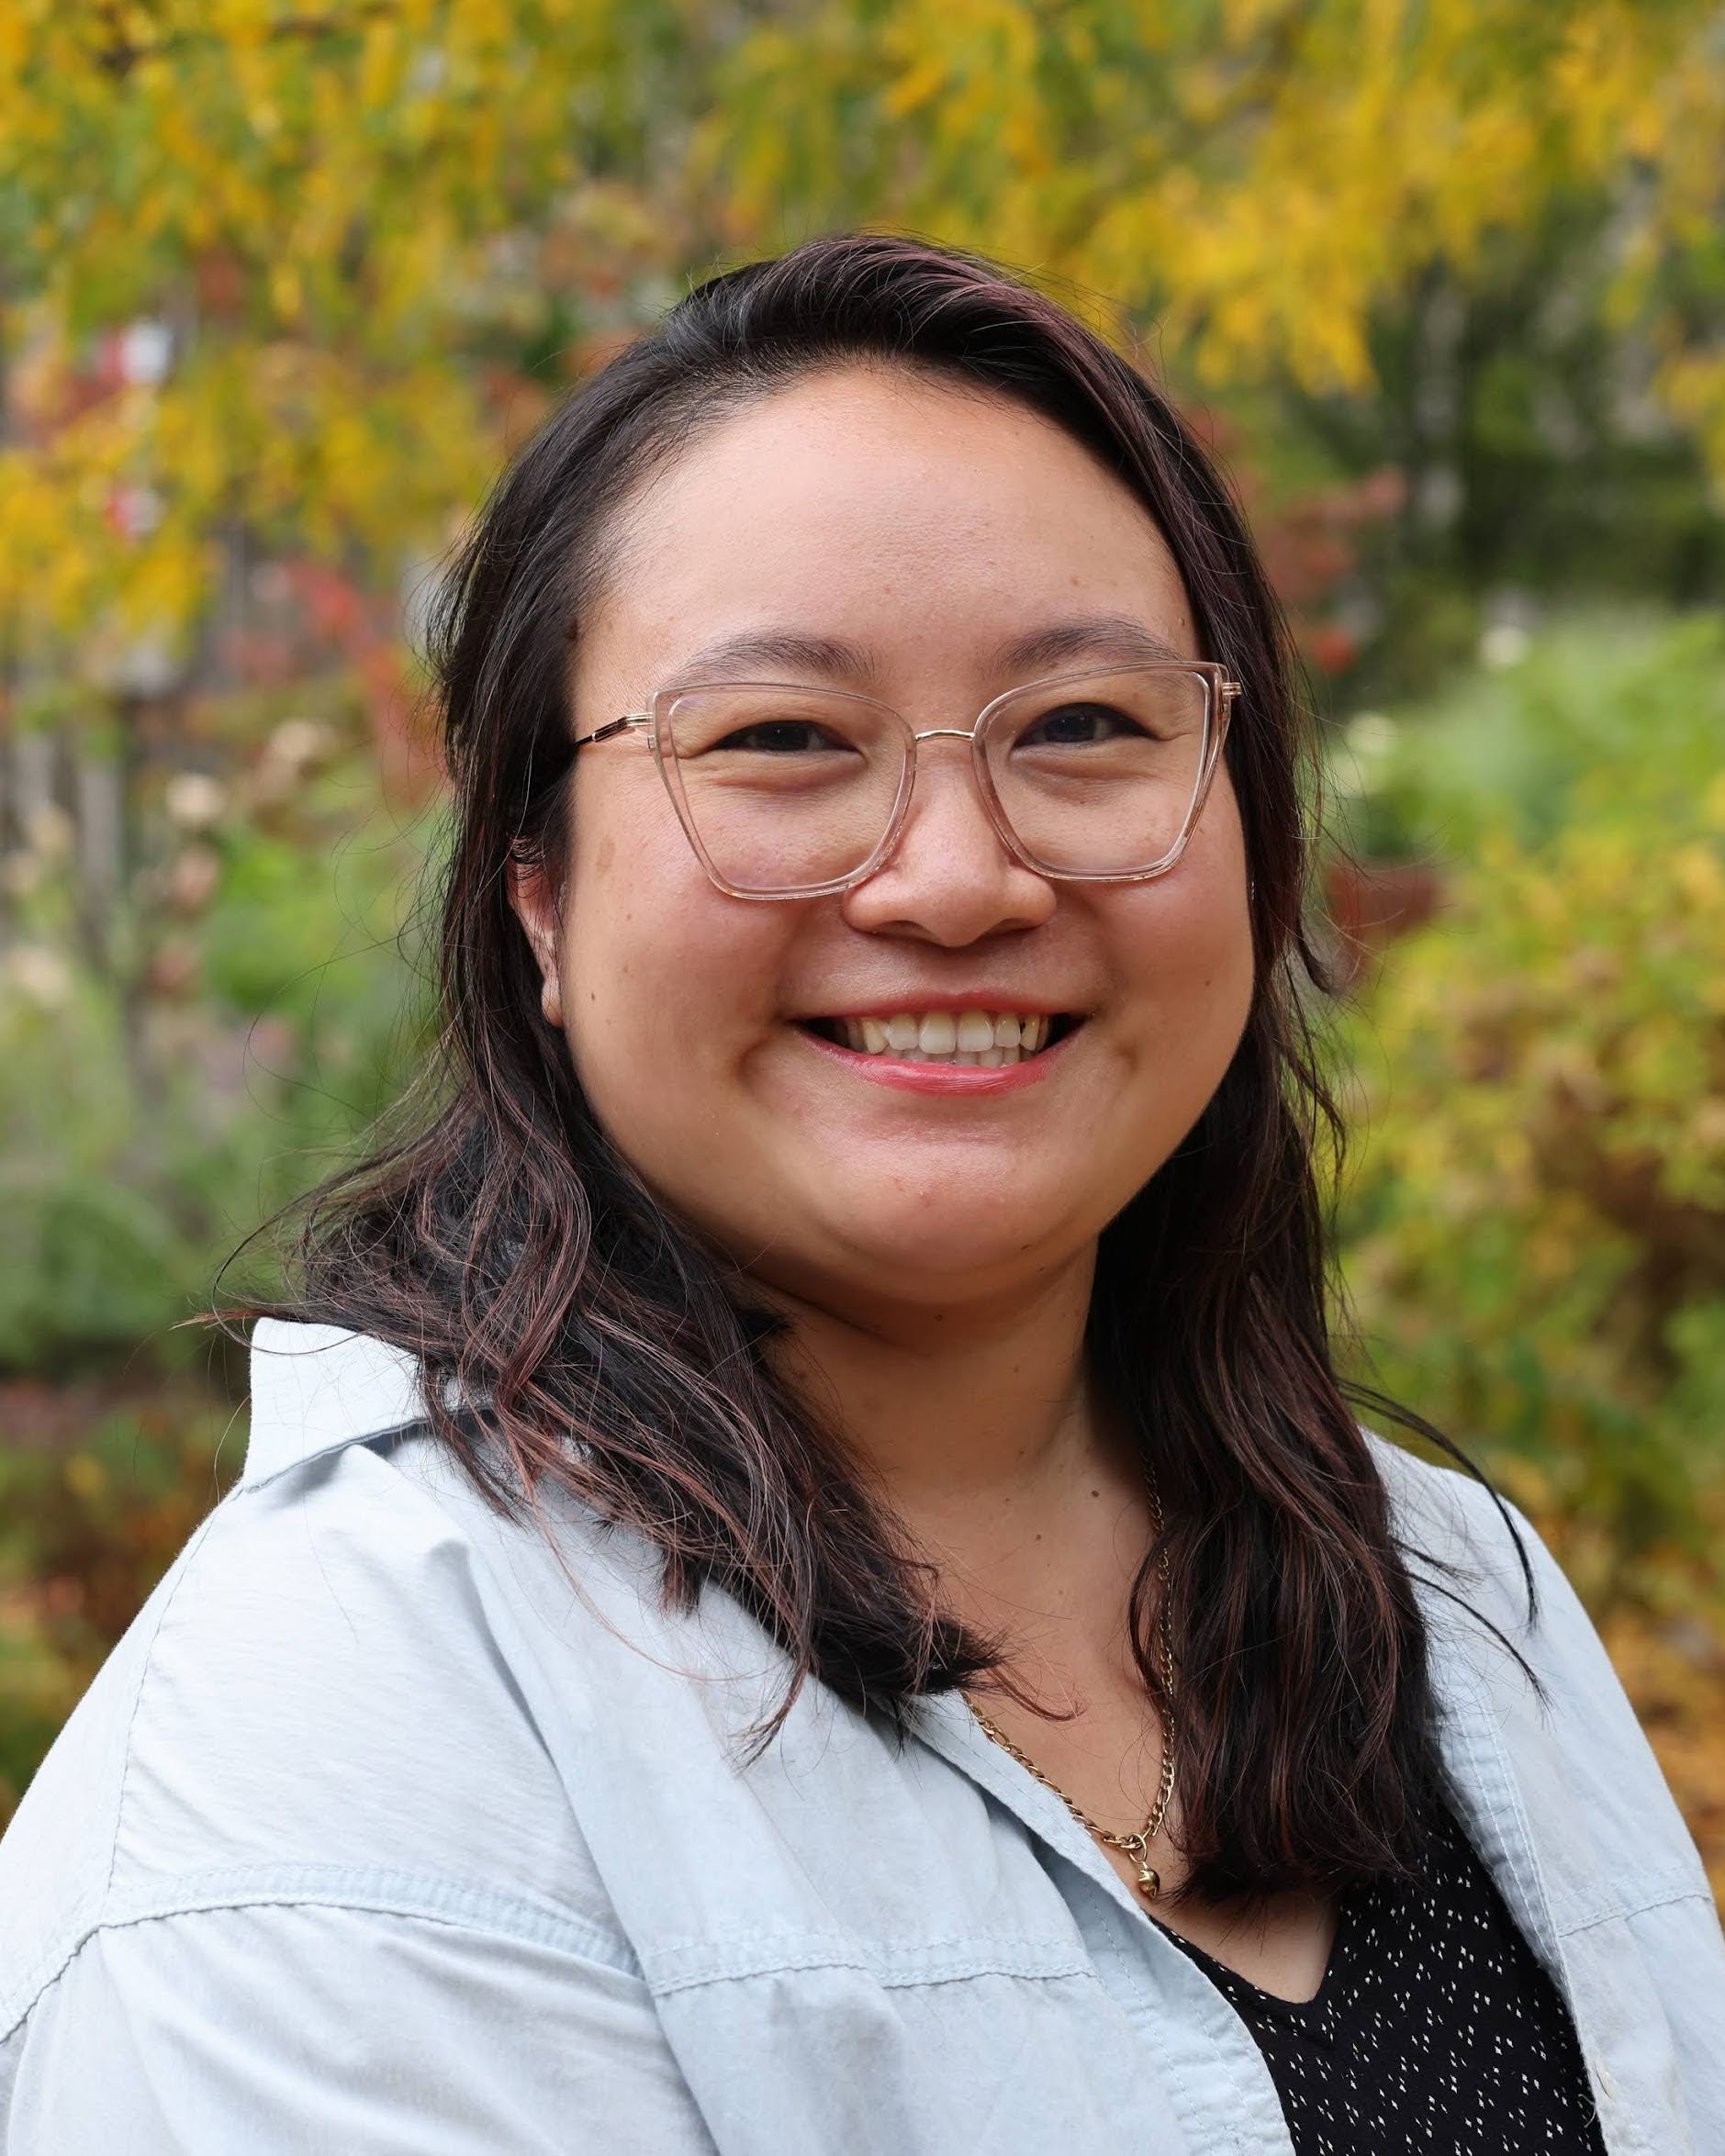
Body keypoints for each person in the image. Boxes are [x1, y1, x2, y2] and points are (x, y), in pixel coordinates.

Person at [1, 233, 1719, 2155]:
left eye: (1085, 724)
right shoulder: (342, 1754)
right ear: (537, 892)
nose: (958, 877)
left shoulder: (1450, 1594)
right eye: (782, 742)